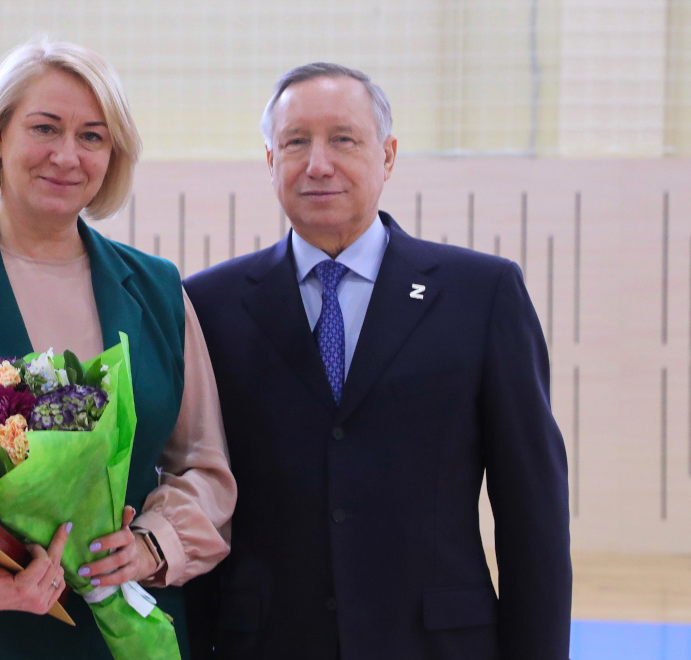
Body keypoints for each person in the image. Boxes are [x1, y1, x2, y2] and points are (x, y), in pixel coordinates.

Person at [0, 39, 236, 660]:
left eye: (92, 137)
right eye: (44, 128)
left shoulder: (159, 291)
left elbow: (205, 469)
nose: (67, 155)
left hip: (121, 638)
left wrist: (152, 545)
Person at [183, 63, 572, 659]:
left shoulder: (481, 294)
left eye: (344, 139)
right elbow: (194, 489)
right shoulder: (208, 306)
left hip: (436, 644)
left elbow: (533, 512)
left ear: (387, 156)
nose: (318, 164)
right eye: (295, 142)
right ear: (270, 160)